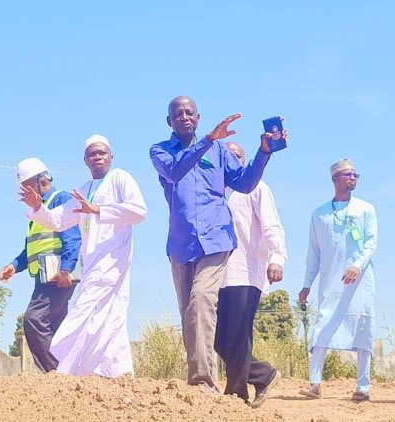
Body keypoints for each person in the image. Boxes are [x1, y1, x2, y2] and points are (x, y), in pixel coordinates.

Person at [149, 96, 284, 391]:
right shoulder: (161, 151)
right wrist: (208, 140)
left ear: (198, 117)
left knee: (201, 301)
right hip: (181, 245)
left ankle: (202, 382)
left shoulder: (221, 152)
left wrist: (263, 153)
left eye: (190, 113)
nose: (184, 117)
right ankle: (202, 380)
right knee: (189, 312)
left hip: (217, 241)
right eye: (178, 114)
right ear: (169, 121)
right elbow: (174, 171)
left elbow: (245, 183)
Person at [19, 134, 147, 377]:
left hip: (113, 259)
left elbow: (139, 211)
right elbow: (57, 221)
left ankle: (67, 370)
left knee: (83, 313)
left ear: (111, 156)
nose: (97, 157)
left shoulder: (121, 178)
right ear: (85, 160)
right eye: (91, 154)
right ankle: (115, 372)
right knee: (109, 316)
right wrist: (37, 207)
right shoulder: (85, 190)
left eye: (101, 153)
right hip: (91, 263)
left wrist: (99, 210)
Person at [214, 142, 286, 407]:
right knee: (219, 339)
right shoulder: (215, 191)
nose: (233, 159)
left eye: (238, 155)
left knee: (239, 334)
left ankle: (236, 393)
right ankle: (263, 374)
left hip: (247, 271)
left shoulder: (256, 187)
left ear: (244, 161)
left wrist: (277, 258)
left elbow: (272, 225)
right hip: (219, 274)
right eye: (228, 156)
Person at [299, 159, 377, 403]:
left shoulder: (366, 209)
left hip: (360, 283)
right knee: (322, 326)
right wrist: (306, 284)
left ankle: (363, 387)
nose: (352, 178)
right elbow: (314, 254)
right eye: (347, 174)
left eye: (355, 174)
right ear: (335, 179)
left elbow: (371, 243)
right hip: (331, 282)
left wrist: (356, 266)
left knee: (363, 329)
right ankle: (314, 384)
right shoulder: (319, 214)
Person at [0, 158, 81, 372]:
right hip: (43, 276)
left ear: (42, 182)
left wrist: (66, 269)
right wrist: (14, 266)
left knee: (33, 320)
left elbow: (72, 236)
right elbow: (32, 248)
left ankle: (56, 372)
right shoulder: (36, 212)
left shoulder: (60, 199)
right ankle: (68, 371)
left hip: (59, 277)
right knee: (54, 327)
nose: (25, 194)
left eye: (28, 187)